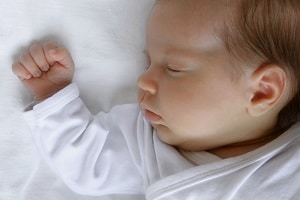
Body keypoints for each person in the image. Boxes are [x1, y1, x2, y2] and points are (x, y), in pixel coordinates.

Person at [12, 0, 300, 199]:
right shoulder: (148, 142)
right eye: (148, 63)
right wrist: (54, 96)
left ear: (263, 91)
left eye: (173, 68)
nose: (143, 80)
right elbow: (88, 161)